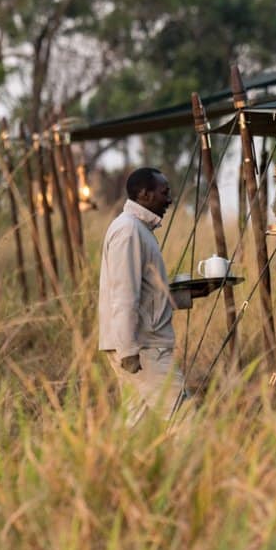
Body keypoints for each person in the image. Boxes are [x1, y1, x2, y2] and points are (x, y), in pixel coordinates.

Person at [98, 165, 194, 422]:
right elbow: (124, 294)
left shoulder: (139, 230)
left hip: (138, 343)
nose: (170, 199)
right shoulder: (129, 230)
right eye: (165, 192)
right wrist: (128, 350)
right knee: (184, 421)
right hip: (143, 347)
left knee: (136, 426)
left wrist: (190, 294)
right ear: (145, 194)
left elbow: (147, 293)